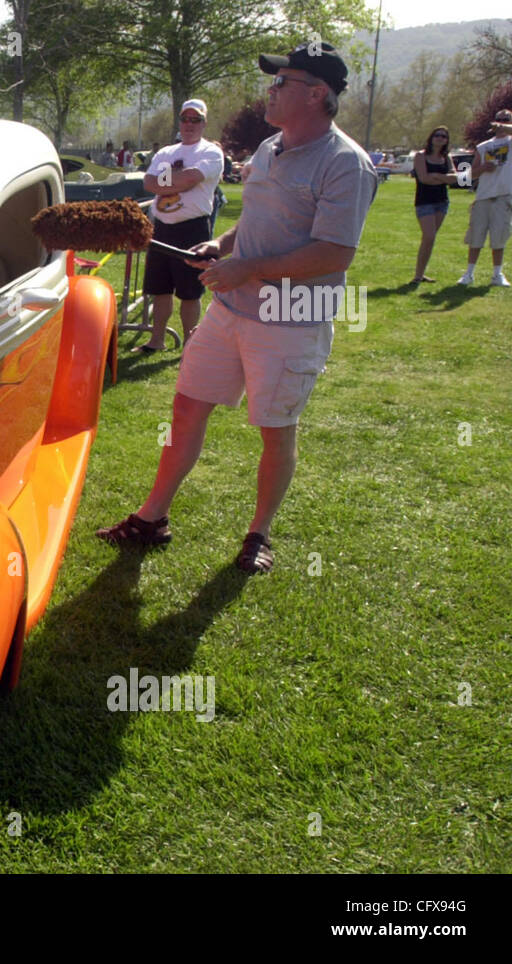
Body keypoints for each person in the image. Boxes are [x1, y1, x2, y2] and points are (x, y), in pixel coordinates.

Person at [96, 41, 377, 574]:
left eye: (282, 83)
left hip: (291, 315)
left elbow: (334, 252)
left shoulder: (347, 164)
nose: (270, 90)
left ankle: (258, 534)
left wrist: (248, 268)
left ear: (317, 95)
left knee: (276, 426)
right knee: (187, 406)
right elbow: (255, 224)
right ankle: (152, 518)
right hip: (231, 307)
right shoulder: (271, 148)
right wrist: (222, 247)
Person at [132, 99, 224, 353]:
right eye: (185, 119)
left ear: (204, 123)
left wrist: (170, 181)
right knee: (159, 289)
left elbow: (192, 178)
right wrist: (177, 182)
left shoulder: (211, 152)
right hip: (162, 227)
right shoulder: (166, 153)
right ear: (180, 121)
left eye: (196, 120)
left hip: (192, 229)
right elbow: (150, 183)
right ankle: (156, 340)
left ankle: (190, 345)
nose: (189, 124)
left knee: (190, 292)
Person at [458, 109, 512, 287]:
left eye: (506, 120)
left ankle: (497, 275)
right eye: (499, 120)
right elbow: (467, 176)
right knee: (476, 236)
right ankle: (469, 273)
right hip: (483, 197)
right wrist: (482, 168)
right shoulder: (483, 146)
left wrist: (504, 127)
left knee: (499, 237)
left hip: (503, 197)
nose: (501, 123)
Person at [410, 126, 457, 283]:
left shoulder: (447, 157)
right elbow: (424, 178)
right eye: (437, 135)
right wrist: (443, 177)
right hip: (424, 202)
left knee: (430, 239)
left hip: (442, 202)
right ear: (431, 137)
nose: (440, 138)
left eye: (444, 136)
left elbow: (455, 178)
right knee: (429, 236)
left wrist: (436, 175)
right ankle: (417, 276)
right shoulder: (420, 156)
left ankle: (420, 274)